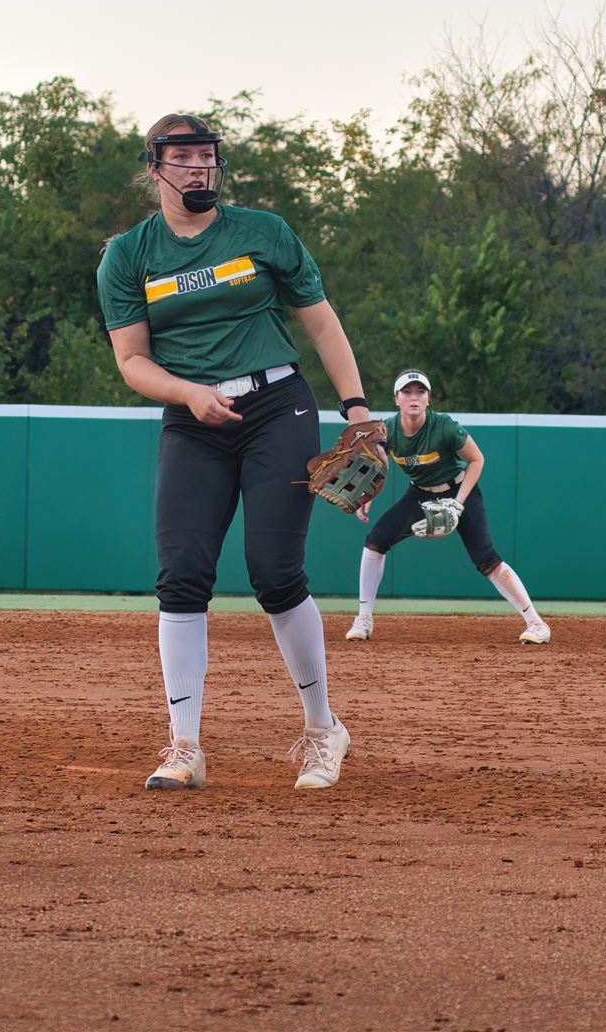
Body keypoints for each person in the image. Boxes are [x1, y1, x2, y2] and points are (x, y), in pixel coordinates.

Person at [97, 113, 380, 791]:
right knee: (183, 573)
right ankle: (184, 747)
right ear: (155, 169)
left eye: (207, 158)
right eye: (184, 159)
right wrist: (188, 393)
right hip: (194, 419)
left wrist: (360, 413)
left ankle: (322, 730)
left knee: (274, 572)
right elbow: (132, 361)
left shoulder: (263, 232)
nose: (199, 169)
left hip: (277, 405)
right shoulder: (129, 255)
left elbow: (320, 321)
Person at [345, 368, 551, 645]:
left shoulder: (444, 426)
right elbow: (379, 463)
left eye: (420, 391)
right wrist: (367, 494)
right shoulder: (388, 430)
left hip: (458, 489)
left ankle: (537, 624)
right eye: (407, 391)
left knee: (487, 560)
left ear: (429, 399)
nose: (414, 397)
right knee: (375, 542)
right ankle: (363, 619)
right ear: (397, 399)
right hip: (419, 494)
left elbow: (476, 460)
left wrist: (456, 504)